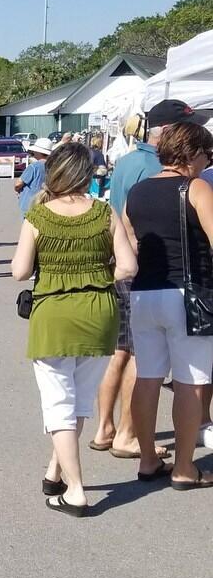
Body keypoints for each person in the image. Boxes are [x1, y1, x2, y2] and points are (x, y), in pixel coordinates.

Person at [11, 143, 137, 517]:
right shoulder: (104, 212)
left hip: (54, 314)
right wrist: (96, 277)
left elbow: (19, 271)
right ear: (86, 174)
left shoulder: (39, 216)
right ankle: (54, 472)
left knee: (57, 404)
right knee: (79, 400)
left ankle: (77, 491)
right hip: (99, 312)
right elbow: (128, 267)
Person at [91, 100, 190, 458]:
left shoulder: (128, 161)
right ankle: (127, 435)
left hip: (119, 264)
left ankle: (105, 427)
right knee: (139, 356)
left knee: (119, 351)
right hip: (144, 269)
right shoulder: (155, 167)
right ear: (166, 132)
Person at [123, 121, 213, 490]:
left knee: (147, 376)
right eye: (206, 152)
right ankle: (184, 468)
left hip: (145, 293)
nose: (208, 159)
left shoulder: (138, 192)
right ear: (191, 153)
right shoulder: (196, 187)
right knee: (190, 382)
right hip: (187, 295)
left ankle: (147, 459)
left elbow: (131, 241)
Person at [15, 137, 51, 217]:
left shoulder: (33, 167)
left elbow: (18, 184)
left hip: (30, 203)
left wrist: (17, 190)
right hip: (46, 203)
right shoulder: (52, 166)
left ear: (39, 152)